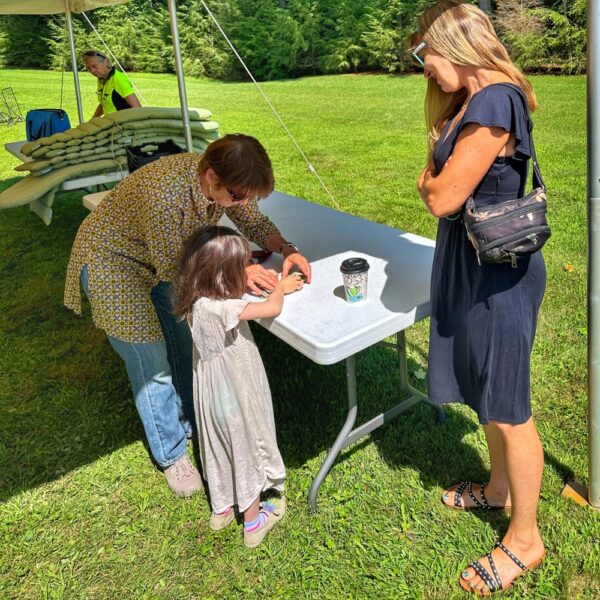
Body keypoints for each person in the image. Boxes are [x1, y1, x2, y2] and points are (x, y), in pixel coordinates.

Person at [64, 134, 312, 498]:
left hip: (159, 258)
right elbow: (176, 271)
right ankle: (172, 453)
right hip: (111, 261)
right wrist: (238, 275)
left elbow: (252, 220)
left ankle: (191, 417)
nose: (243, 203)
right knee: (150, 361)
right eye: (239, 196)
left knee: (184, 337)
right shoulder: (165, 198)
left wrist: (286, 248)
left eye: (249, 196)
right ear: (212, 178)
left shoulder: (224, 181)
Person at [409, 1, 546, 595]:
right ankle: (496, 491)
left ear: (453, 43)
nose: (423, 69)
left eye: (424, 54)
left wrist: (428, 180)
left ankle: (525, 541)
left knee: (509, 404)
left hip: (498, 272)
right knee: (487, 388)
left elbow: (439, 196)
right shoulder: (475, 100)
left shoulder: (493, 100)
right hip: (474, 263)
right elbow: (443, 181)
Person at [174, 225, 303, 547]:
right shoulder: (225, 308)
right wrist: (281, 288)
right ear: (223, 275)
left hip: (209, 391)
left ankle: (222, 507)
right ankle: (254, 521)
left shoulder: (195, 301)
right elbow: (271, 309)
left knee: (218, 444)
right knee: (244, 443)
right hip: (235, 388)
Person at [82, 50, 141, 117]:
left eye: (94, 66)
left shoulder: (118, 79)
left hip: (121, 123)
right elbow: (104, 103)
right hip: (110, 121)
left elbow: (137, 108)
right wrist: (93, 119)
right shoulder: (101, 78)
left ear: (106, 62)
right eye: (88, 68)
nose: (92, 71)